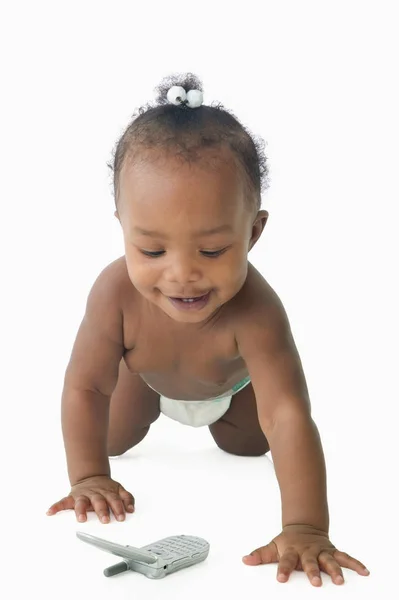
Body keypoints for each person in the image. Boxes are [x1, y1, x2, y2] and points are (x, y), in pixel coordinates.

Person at [47, 73, 369, 586]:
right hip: (145, 379)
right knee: (108, 440)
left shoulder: (257, 311)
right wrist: (87, 476)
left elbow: (286, 413)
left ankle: (233, 430)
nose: (181, 274)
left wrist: (306, 527)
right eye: (151, 250)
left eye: (213, 251)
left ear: (254, 232)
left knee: (248, 446)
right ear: (122, 227)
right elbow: (85, 386)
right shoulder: (113, 293)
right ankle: (128, 422)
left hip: (234, 389)